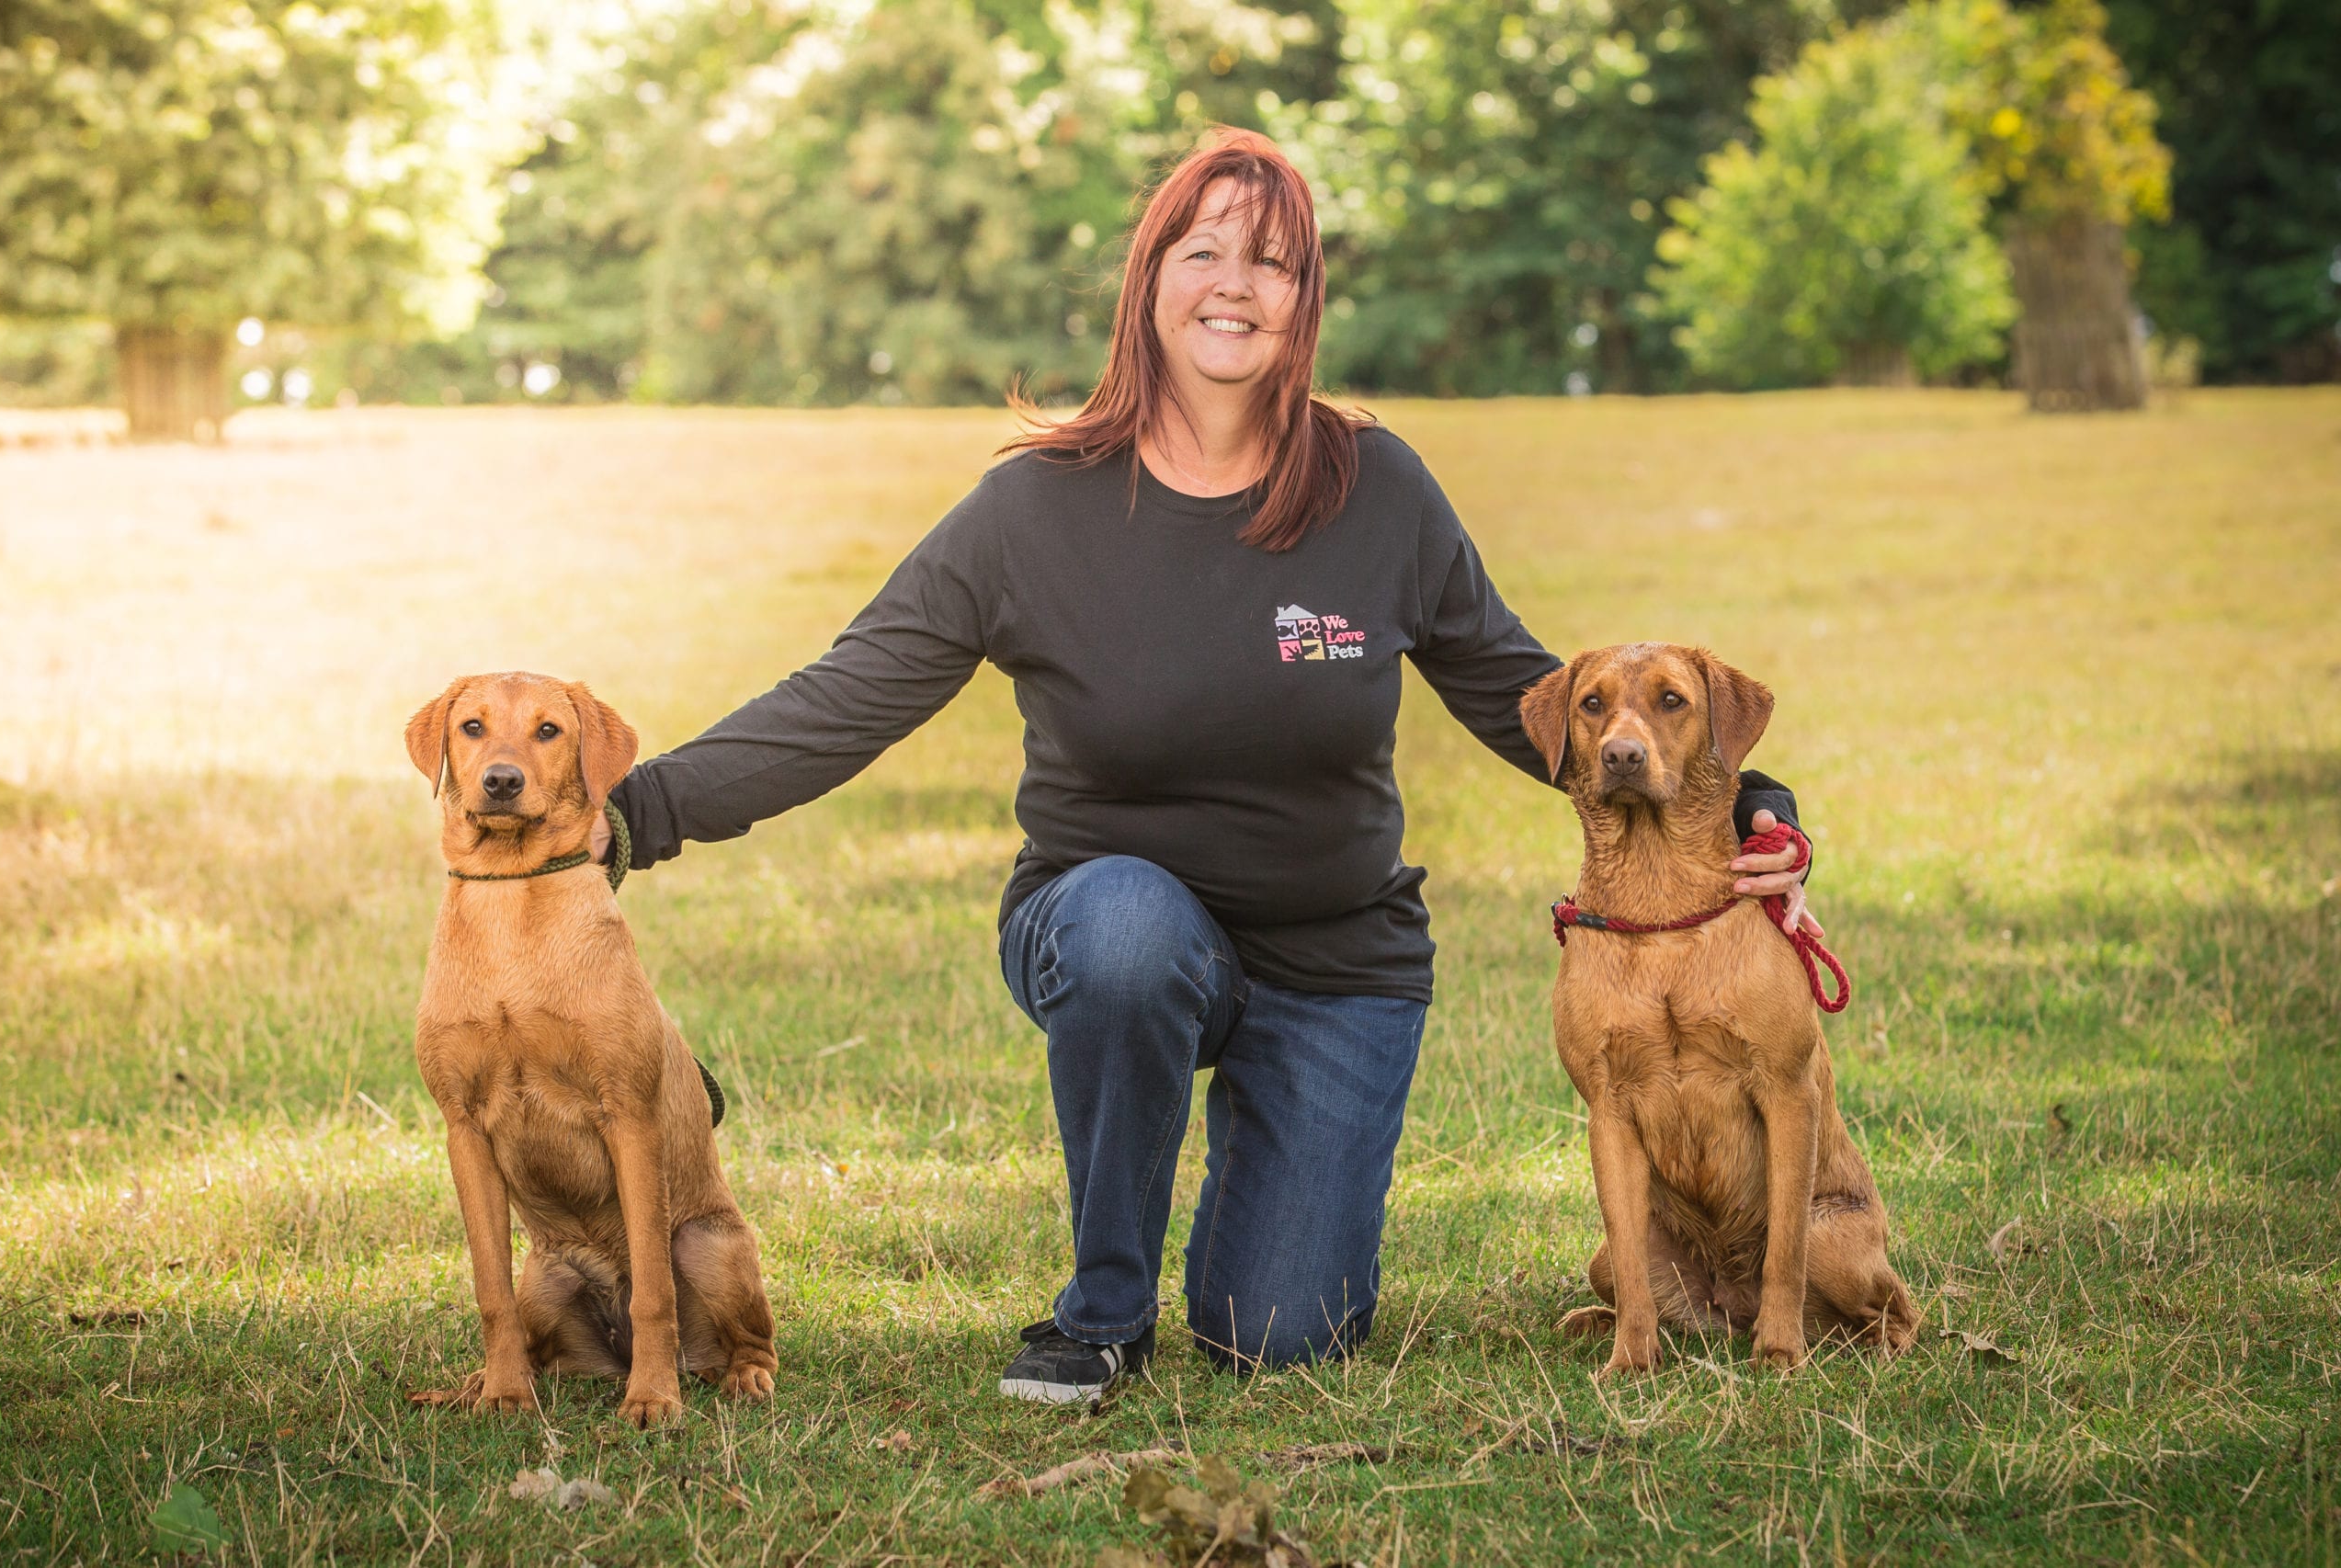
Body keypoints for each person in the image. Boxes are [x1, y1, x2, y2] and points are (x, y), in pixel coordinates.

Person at [597, 129, 1817, 1403]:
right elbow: (847, 696)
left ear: (1303, 305)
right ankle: (1102, 1310)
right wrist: (638, 813)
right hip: (1111, 925)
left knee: (1277, 1333)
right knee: (1130, 931)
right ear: (1151, 279)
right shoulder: (1033, 513)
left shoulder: (1377, 488)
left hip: (1336, 961)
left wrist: (1747, 801)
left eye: (1275, 263)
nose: (1237, 283)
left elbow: (1534, 700)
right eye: (1207, 250)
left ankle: (1264, 1172)